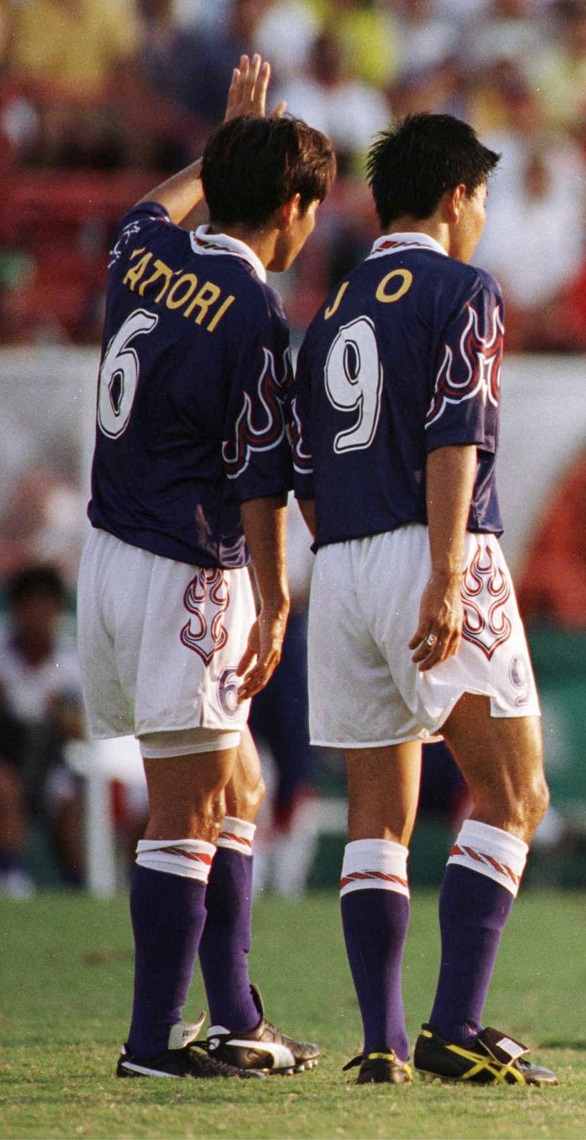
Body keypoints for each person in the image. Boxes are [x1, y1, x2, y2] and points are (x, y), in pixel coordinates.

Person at [77, 56, 334, 1079]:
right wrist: (274, 602)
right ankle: (150, 1044)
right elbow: (260, 479)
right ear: (293, 206)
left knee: (239, 779)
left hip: (107, 552)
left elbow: (151, 203)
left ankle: (236, 1015)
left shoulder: (143, 252)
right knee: (187, 807)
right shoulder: (254, 313)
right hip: (188, 567)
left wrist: (219, 148)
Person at [291, 112, 558, 1088]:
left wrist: (356, 565)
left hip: (343, 561)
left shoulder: (330, 312)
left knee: (379, 813)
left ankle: (381, 1042)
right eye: (482, 197)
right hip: (434, 546)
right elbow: (457, 435)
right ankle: (453, 1026)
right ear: (457, 197)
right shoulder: (463, 288)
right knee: (514, 792)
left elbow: (302, 467)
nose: (482, 216)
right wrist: (445, 573)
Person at [0, 564, 84, 895]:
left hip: (49, 761)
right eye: (30, 604)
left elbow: (78, 730)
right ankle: (11, 874)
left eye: (45, 604)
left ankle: (76, 889)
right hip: (6, 755)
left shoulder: (69, 658)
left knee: (67, 804)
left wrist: (62, 714)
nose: (38, 614)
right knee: (5, 787)